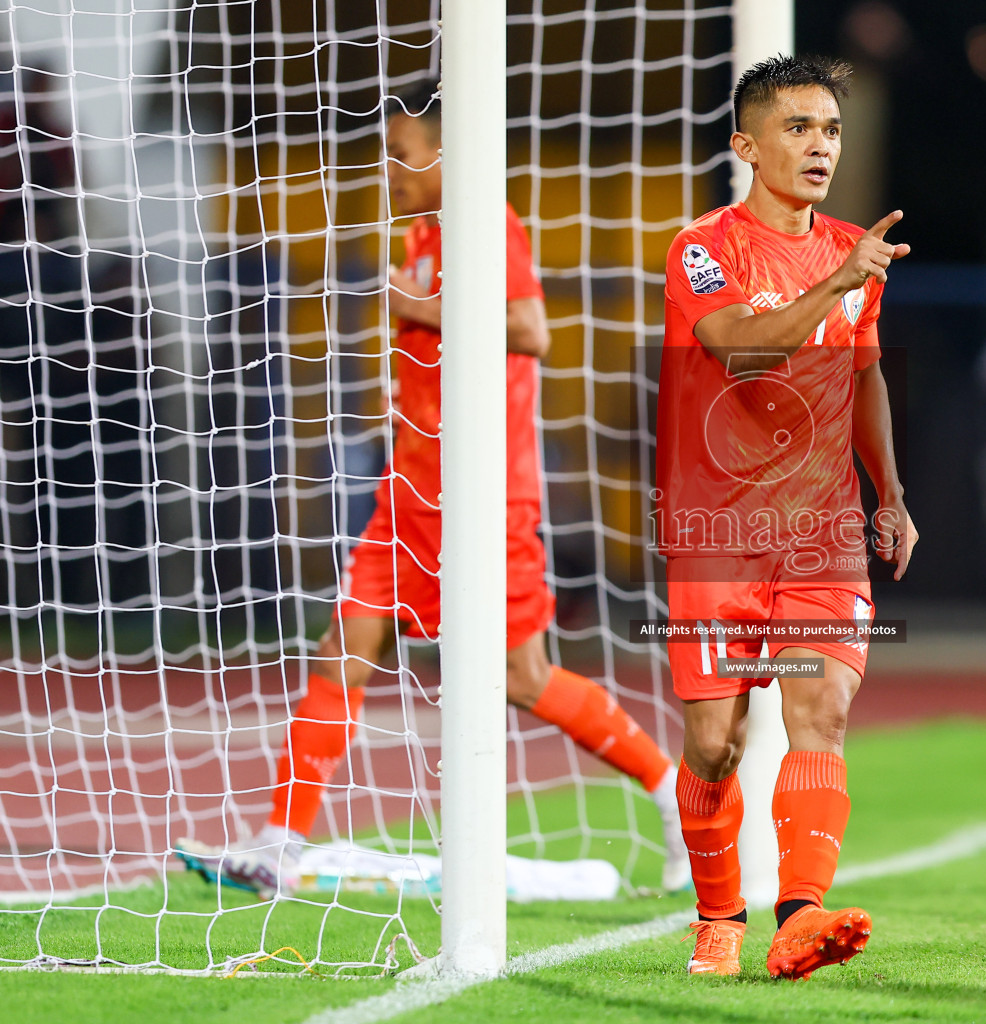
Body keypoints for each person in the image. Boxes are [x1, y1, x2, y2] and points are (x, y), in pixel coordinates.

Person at [177, 83, 688, 898]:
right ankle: (281, 838)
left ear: (451, 154)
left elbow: (532, 330)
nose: (388, 170)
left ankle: (674, 794)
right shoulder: (418, 233)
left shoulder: (490, 224)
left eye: (402, 154)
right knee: (344, 652)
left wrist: (417, 304)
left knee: (523, 678)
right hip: (407, 487)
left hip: (486, 496)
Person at [656, 54, 916, 979]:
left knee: (823, 710)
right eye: (798, 128)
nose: (819, 145)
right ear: (746, 145)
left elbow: (863, 373)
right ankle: (717, 915)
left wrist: (888, 494)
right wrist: (838, 284)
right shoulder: (703, 246)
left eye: (832, 129)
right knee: (714, 744)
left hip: (821, 535)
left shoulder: (855, 253)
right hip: (717, 537)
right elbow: (735, 349)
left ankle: (798, 917)